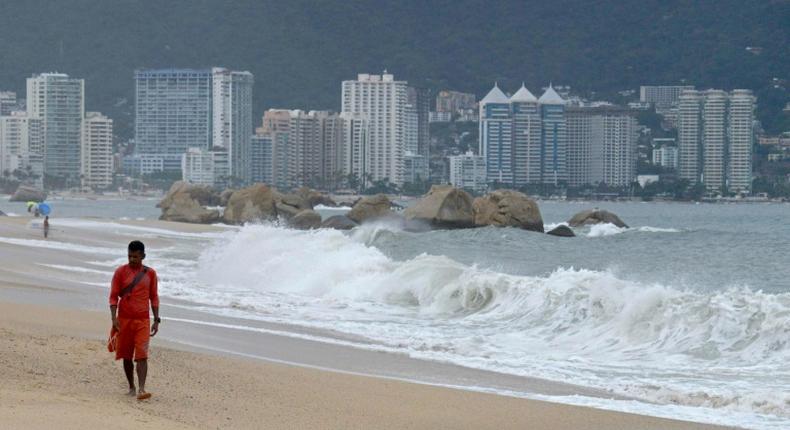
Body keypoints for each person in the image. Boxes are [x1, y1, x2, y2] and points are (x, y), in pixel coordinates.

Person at [109, 240, 160, 400]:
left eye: (136, 257)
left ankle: (142, 389)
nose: (132, 260)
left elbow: (154, 297)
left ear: (143, 256)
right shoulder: (120, 272)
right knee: (126, 356)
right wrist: (113, 319)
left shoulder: (150, 274)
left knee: (142, 356)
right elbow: (113, 297)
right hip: (124, 320)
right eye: (130, 256)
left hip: (143, 321)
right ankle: (131, 386)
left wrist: (156, 319)